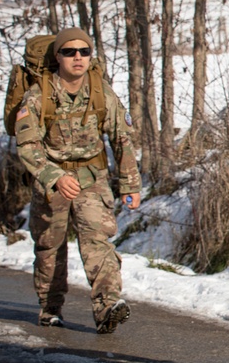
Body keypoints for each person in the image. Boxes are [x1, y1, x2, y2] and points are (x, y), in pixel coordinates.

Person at [14, 26, 141, 334]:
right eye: (69, 52)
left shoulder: (100, 91)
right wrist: (54, 177)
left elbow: (122, 138)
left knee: (97, 238)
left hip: (91, 178)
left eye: (84, 52)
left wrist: (130, 185)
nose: (78, 58)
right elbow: (28, 146)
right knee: (49, 246)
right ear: (57, 56)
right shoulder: (39, 94)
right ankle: (50, 307)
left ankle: (107, 306)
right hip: (51, 179)